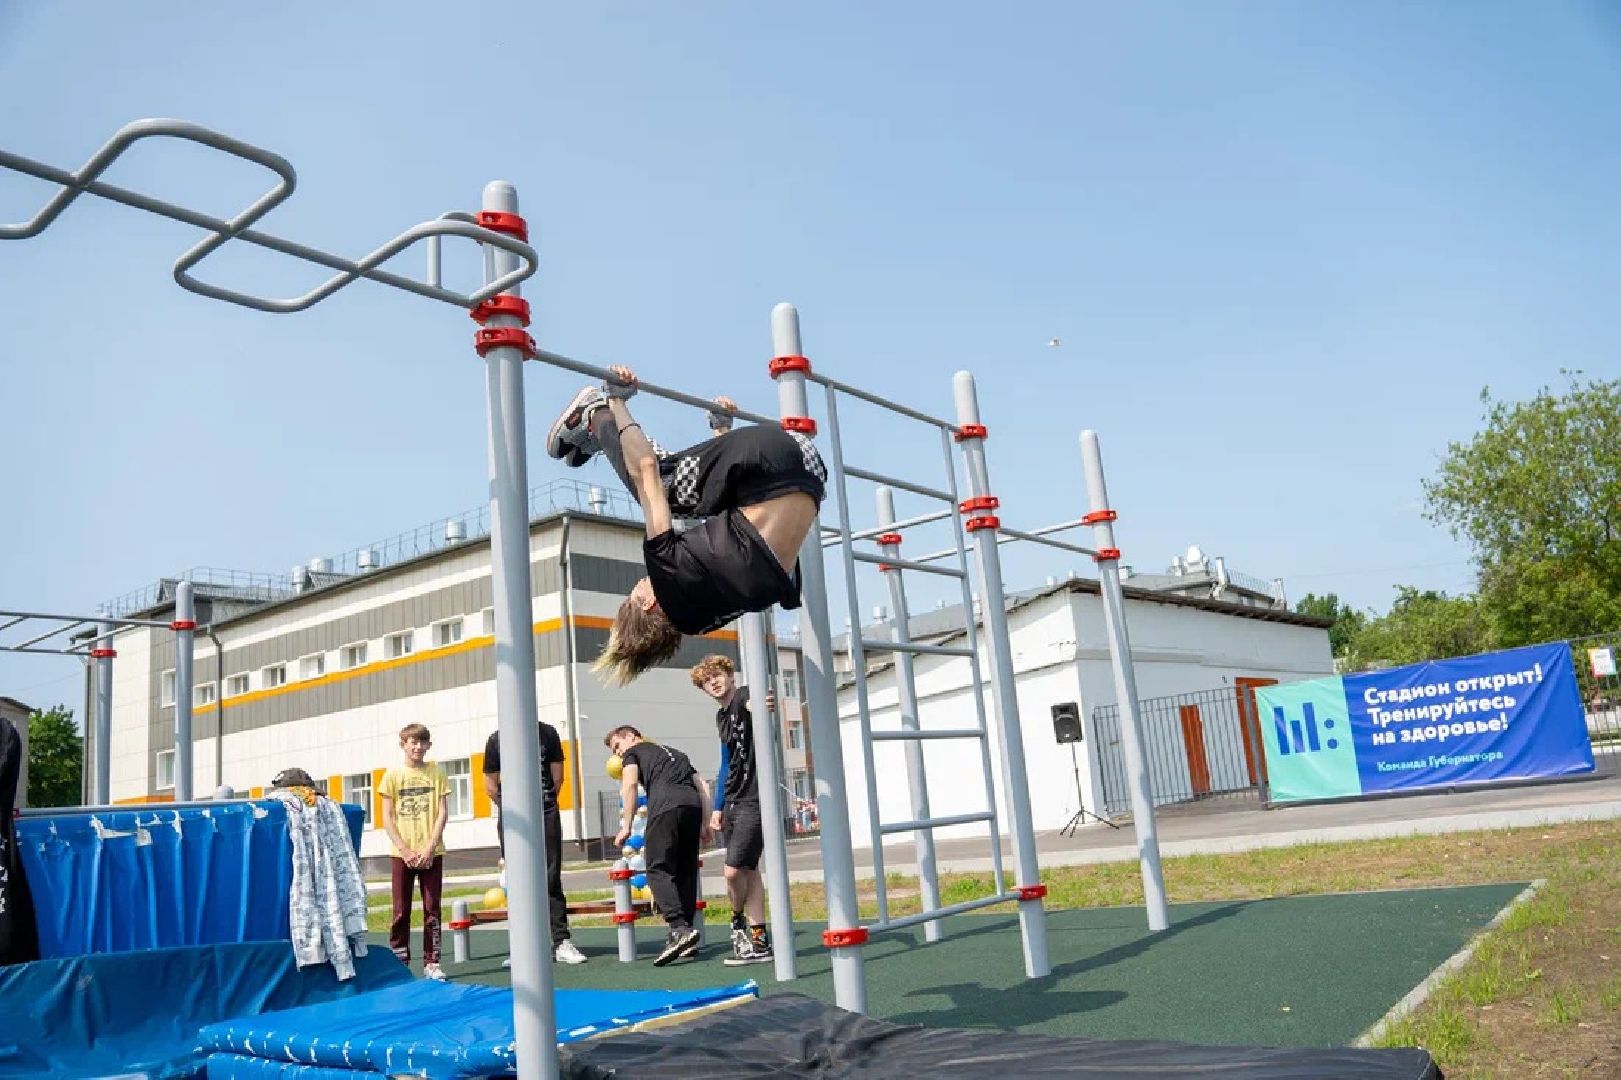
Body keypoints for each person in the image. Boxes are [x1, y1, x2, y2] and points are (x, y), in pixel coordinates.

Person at [546, 365, 827, 686]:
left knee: (683, 504)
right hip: (773, 457)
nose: (639, 582)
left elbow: (733, 530)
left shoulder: (702, 620)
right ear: (649, 603)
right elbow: (647, 470)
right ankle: (596, 414)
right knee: (661, 488)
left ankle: (609, 436)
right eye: (634, 591)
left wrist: (722, 431)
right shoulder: (667, 574)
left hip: (810, 468)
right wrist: (618, 400)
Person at [603, 725, 712, 966]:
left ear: (631, 736)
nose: (618, 754)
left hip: (665, 808)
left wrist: (626, 825)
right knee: (685, 870)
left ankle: (678, 928)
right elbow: (703, 785)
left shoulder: (634, 753)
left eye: (617, 746)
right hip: (691, 807)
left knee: (657, 868)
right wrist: (705, 822)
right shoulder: (676, 753)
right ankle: (687, 935)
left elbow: (630, 784)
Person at [690, 654, 773, 966]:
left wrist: (763, 708)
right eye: (706, 681)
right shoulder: (720, 717)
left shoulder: (744, 695)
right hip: (733, 800)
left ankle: (736, 918)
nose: (713, 682)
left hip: (755, 797)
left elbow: (756, 703)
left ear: (729, 674)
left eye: (716, 675)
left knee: (732, 870)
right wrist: (718, 806)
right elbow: (725, 764)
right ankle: (759, 940)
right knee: (750, 870)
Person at [482, 720, 586, 965]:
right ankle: (522, 946)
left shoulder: (547, 733)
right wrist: (510, 807)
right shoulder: (497, 739)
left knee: (550, 877)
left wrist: (542, 802)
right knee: (518, 880)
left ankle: (560, 942)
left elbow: (557, 777)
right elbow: (490, 784)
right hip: (513, 817)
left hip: (546, 811)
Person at [377, 723, 451, 980]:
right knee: (401, 910)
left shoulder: (437, 772)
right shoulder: (392, 775)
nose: (417, 747)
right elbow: (386, 817)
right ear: (403, 745)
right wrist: (404, 849)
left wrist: (430, 847)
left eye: (422, 742)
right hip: (402, 855)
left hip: (432, 851)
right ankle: (399, 961)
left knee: (432, 908)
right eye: (412, 742)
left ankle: (432, 962)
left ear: (429, 745)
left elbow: (442, 812)